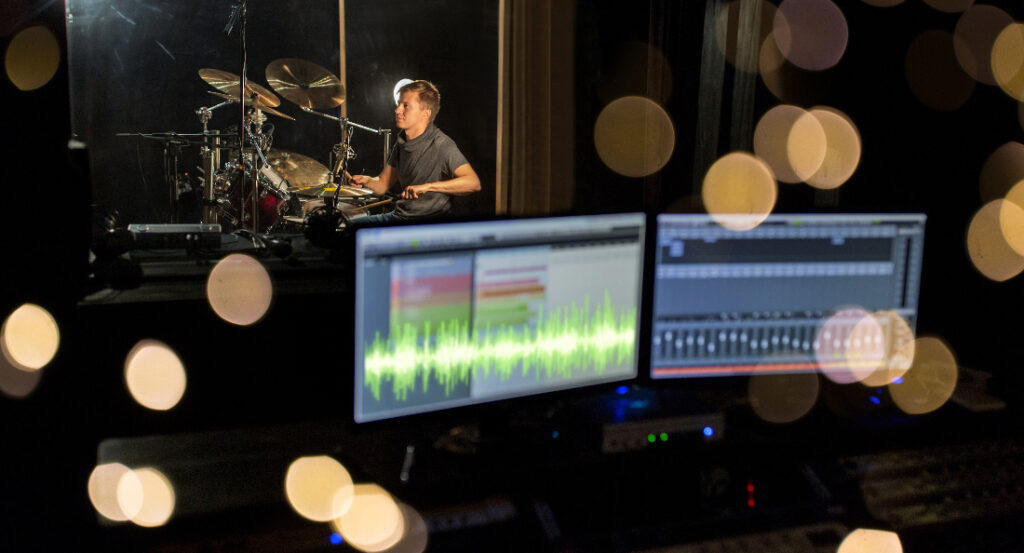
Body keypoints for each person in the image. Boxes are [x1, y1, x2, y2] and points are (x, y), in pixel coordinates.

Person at [349, 80, 480, 224]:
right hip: (401, 217)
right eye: (399, 104)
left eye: (405, 106)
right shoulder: (401, 144)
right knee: (351, 226)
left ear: (425, 113)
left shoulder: (441, 144)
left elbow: (473, 183)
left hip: (427, 224)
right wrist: (366, 181)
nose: (397, 110)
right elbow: (383, 184)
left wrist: (429, 186)